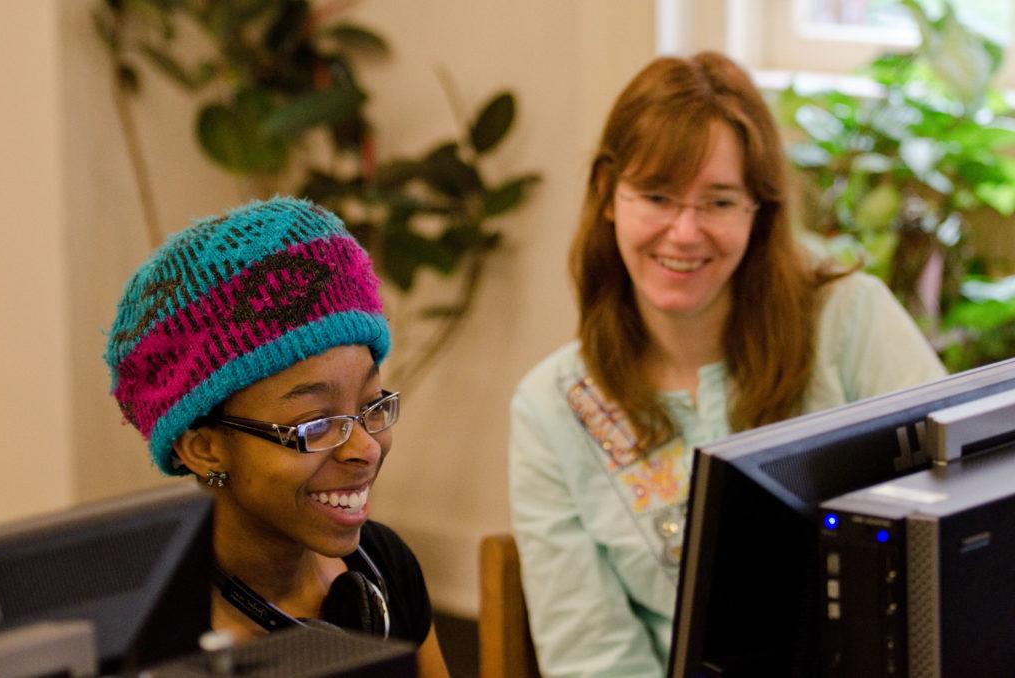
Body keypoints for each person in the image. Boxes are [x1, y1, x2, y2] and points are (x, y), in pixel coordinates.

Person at [508, 52, 947, 677]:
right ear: (608, 194)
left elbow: (953, 520)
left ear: (758, 211)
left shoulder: (848, 319)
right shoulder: (551, 407)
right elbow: (593, 658)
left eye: (718, 202)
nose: (684, 233)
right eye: (656, 196)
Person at [105, 196, 449, 676]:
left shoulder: (382, 568)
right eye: (315, 423)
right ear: (203, 448)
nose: (365, 447)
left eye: (371, 405)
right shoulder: (153, 651)